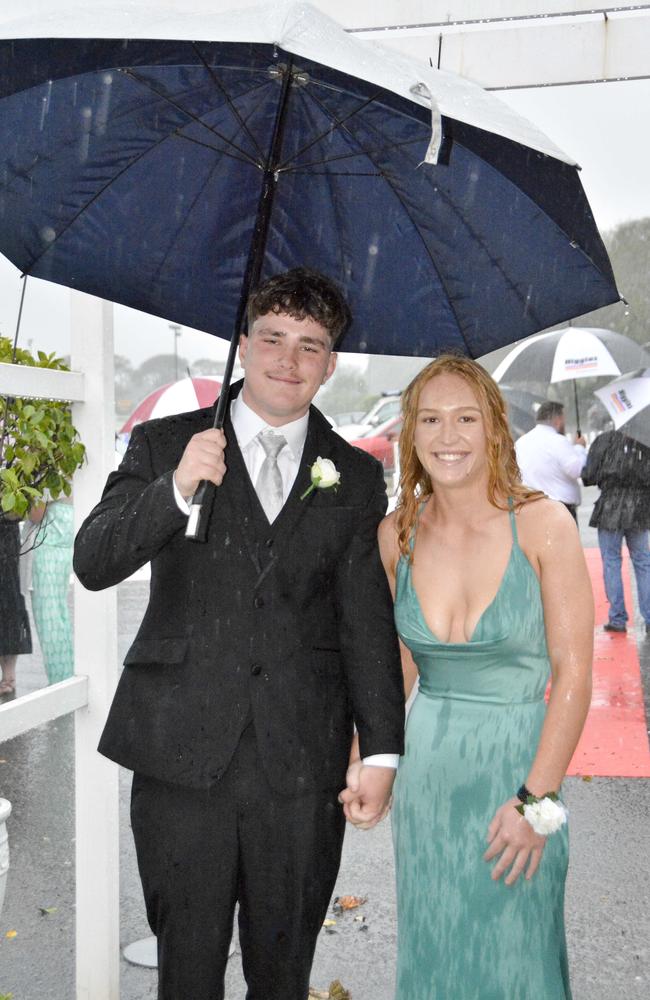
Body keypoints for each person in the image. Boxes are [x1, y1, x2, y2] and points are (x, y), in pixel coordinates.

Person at [73, 268, 404, 1000]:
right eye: (274, 338)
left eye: (310, 346)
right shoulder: (166, 445)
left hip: (301, 765)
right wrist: (175, 490)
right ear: (243, 343)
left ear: (330, 364)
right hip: (181, 755)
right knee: (186, 972)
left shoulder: (353, 474)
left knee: (282, 976)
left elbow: (365, 620)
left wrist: (380, 748)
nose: (289, 360)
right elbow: (94, 561)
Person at [376, 356, 593, 999]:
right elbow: (403, 664)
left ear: (494, 428)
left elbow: (574, 674)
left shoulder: (544, 524)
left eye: (466, 418)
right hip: (427, 789)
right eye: (432, 419)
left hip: (523, 778)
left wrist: (538, 801)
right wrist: (371, 758)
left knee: (518, 965)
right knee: (435, 956)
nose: (449, 436)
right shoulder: (398, 535)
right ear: (409, 434)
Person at [582, 428, 650, 634]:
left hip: (610, 508)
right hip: (639, 508)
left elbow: (588, 477)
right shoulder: (644, 441)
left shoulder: (604, 441)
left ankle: (618, 618)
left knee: (611, 561)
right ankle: (649, 616)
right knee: (643, 562)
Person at [515, 400, 587, 521]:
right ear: (557, 420)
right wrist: (580, 448)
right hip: (561, 510)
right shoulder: (558, 441)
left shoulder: (521, 443)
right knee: (565, 540)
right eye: (564, 419)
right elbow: (575, 470)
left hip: (531, 507)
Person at [28, 498, 75, 683]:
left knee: (49, 620)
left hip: (46, 545)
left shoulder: (45, 472)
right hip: (63, 543)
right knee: (60, 616)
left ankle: (59, 680)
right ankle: (66, 675)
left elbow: (36, 514)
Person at [0, 515, 32, 696]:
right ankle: (8, 677)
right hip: (8, 534)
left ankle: (9, 676)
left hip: (6, 538)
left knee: (9, 603)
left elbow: (18, 511)